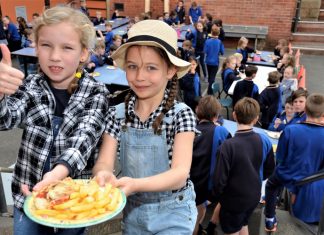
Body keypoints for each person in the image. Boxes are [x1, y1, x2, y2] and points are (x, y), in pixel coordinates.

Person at [0, 7, 109, 235]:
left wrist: (58, 173)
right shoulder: (31, 86)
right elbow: (7, 119)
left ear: (83, 53)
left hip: (73, 197)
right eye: (46, 45)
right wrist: (0, 95)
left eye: (67, 47)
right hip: (28, 195)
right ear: (36, 47)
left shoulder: (96, 93)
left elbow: (83, 140)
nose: (55, 56)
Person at [93, 19, 198, 234]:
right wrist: (103, 173)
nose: (140, 77)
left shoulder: (182, 115)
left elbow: (180, 173)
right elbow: (104, 160)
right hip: (133, 213)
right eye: (132, 67)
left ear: (170, 71)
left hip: (174, 212)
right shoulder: (117, 114)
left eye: (151, 68)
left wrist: (136, 185)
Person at [212, 97, 275, 235]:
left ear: (234, 115)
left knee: (232, 230)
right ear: (256, 118)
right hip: (254, 195)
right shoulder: (263, 139)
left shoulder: (227, 146)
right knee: (243, 223)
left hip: (233, 200)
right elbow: (270, 168)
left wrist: (219, 196)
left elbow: (219, 180)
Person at [264, 93, 324, 232]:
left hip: (289, 175)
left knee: (271, 185)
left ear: (306, 110)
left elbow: (280, 158)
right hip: (312, 180)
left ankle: (270, 219)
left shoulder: (291, 130)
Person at [190, 95, 231, 235]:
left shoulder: (189, 129)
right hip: (205, 183)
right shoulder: (220, 131)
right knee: (197, 214)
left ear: (198, 111)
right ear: (216, 115)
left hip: (186, 179)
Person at [204, 26, 224, 95]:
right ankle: (210, 92)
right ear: (218, 33)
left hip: (208, 61)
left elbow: (205, 51)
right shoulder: (219, 42)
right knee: (212, 78)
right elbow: (222, 52)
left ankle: (210, 90)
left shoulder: (207, 41)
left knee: (210, 76)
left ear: (211, 32)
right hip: (215, 62)